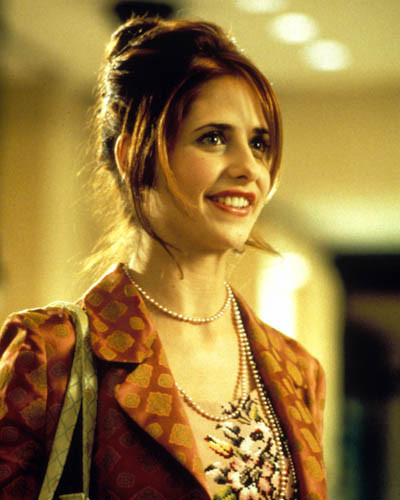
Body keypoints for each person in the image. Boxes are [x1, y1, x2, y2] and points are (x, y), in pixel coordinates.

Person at [0, 16, 327, 500]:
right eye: (213, 137)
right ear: (135, 156)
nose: (249, 168)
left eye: (259, 143)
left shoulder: (297, 371)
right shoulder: (50, 356)